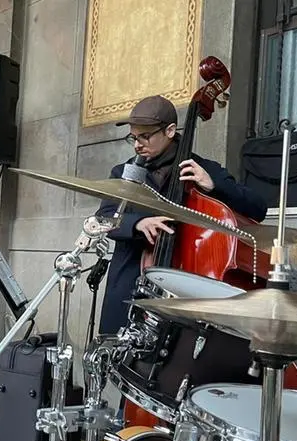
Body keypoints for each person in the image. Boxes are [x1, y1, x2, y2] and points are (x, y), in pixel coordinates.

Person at [96, 95, 268, 335]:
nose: (137, 145)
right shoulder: (124, 172)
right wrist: (138, 223)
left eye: (145, 137)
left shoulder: (202, 169)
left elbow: (258, 208)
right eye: (133, 137)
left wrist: (214, 186)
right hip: (128, 285)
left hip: (184, 293)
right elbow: (104, 218)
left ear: (169, 130)